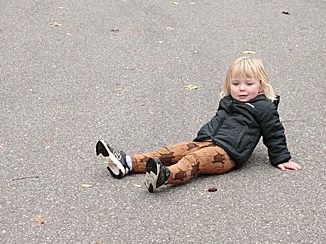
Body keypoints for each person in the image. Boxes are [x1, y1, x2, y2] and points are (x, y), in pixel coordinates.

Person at [96, 56, 301, 193]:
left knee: (194, 160)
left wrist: (281, 158)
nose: (242, 89)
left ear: (261, 85)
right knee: (174, 150)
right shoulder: (228, 100)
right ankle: (128, 163)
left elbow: (274, 134)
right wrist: (203, 136)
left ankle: (166, 176)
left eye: (249, 84)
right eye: (236, 83)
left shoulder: (264, 108)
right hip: (207, 141)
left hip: (227, 154)